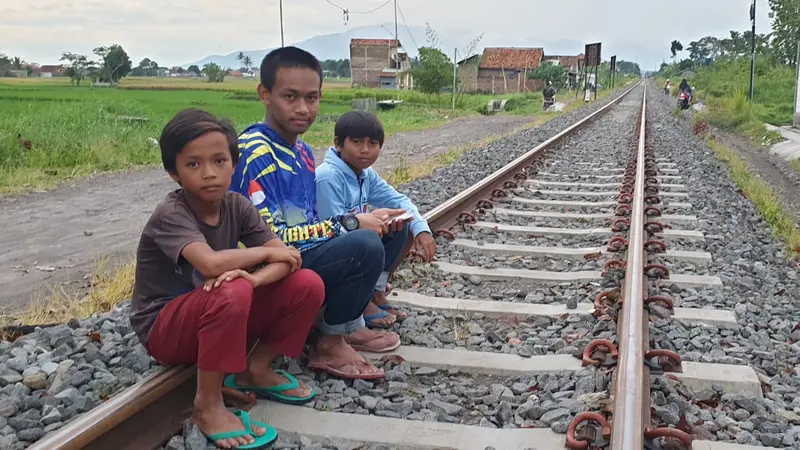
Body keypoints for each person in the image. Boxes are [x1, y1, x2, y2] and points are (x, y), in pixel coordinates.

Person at [129, 108, 326, 449]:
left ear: (234, 164)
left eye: (219, 161)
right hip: (165, 327)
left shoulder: (237, 204)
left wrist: (253, 281)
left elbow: (289, 259)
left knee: (307, 283)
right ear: (173, 172)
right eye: (193, 164)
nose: (209, 174)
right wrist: (263, 255)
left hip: (215, 313)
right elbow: (209, 264)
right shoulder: (171, 213)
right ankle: (207, 405)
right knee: (229, 287)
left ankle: (256, 369)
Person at [230, 46, 402, 380]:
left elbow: (305, 225)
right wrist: (350, 223)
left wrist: (359, 221)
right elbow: (274, 240)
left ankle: (339, 321)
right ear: (264, 94)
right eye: (290, 97)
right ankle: (332, 341)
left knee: (383, 229)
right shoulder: (254, 153)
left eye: (312, 98)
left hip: (292, 261)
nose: (303, 109)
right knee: (364, 242)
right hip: (262, 272)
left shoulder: (303, 152)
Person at [316, 110, 436, 328]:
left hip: (349, 247)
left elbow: (399, 200)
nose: (365, 150)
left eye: (373, 143)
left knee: (401, 221)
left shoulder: (365, 174)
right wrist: (365, 221)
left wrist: (421, 228)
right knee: (368, 239)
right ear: (338, 144)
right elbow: (330, 231)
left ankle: (375, 293)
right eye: (356, 142)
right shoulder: (328, 177)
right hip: (328, 256)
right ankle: (356, 308)